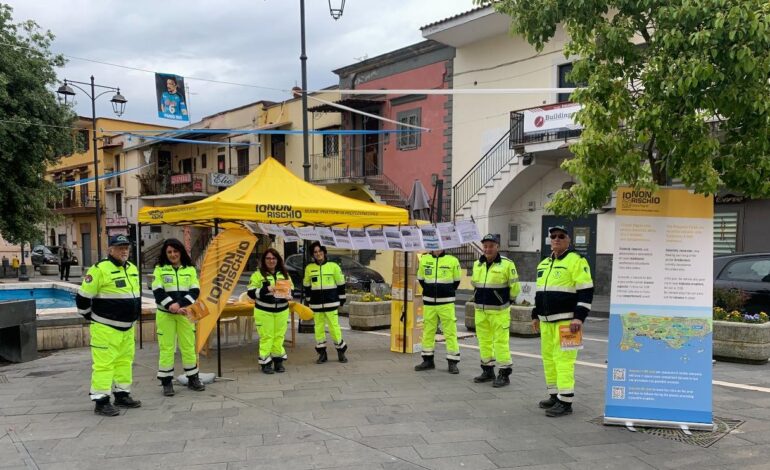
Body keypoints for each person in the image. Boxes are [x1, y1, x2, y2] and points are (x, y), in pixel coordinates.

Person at [75, 235, 141, 416]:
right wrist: (89, 316)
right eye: (120, 247)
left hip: (127, 328)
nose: (124, 250)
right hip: (105, 328)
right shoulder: (99, 269)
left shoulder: (133, 268)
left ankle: (122, 394)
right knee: (104, 365)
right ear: (110, 249)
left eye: (126, 247)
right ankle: (101, 401)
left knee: (124, 362)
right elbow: (82, 297)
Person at [532, 225, 594, 417]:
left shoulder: (577, 260)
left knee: (565, 361)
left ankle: (566, 401)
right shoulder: (544, 263)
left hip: (568, 322)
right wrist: (535, 314)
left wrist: (579, 317)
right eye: (553, 236)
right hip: (546, 322)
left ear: (568, 240)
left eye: (561, 236)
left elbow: (586, 290)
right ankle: (554, 395)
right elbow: (540, 291)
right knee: (549, 359)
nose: (556, 239)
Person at [151, 239, 205, 396]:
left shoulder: (190, 270)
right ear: (165, 254)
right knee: (167, 348)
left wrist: (179, 305)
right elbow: (158, 290)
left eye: (175, 251)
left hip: (184, 314)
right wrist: (171, 306)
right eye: (169, 252)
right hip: (165, 315)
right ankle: (166, 382)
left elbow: (195, 291)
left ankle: (193, 378)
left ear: (181, 252)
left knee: (188, 347)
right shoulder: (160, 269)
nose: (173, 255)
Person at [471, 234, 520, 387]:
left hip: (499, 312)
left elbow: (515, 288)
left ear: (497, 247)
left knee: (501, 343)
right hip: (481, 311)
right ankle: (487, 370)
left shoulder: (507, 264)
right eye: (485, 246)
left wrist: (506, 302)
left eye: (491, 246)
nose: (488, 249)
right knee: (484, 342)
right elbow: (475, 285)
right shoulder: (477, 264)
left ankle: (504, 374)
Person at [415, 249, 462, 373]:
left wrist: (444, 291)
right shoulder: (424, 259)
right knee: (428, 331)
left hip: (446, 302)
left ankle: (453, 362)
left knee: (450, 332)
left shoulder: (452, 260)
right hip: (429, 302)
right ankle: (427, 360)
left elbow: (456, 281)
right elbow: (421, 279)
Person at [247, 248, 293, 374]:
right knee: (267, 337)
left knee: (279, 336)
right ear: (264, 260)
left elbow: (291, 289)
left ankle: (278, 361)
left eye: (273, 258)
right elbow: (250, 293)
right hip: (263, 311)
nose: (271, 261)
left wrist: (289, 294)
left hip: (282, 310)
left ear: (278, 260)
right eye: (268, 258)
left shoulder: (284, 275)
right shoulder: (257, 275)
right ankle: (265, 363)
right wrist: (266, 289)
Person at [304, 241, 348, 364]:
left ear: (324, 252)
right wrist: (308, 300)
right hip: (316, 304)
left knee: (334, 328)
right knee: (318, 328)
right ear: (313, 255)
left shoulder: (333, 266)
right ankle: (322, 354)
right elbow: (307, 285)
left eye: (320, 251)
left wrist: (342, 299)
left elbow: (340, 284)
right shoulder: (309, 268)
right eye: (315, 252)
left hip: (331, 303)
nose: (318, 254)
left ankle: (341, 352)